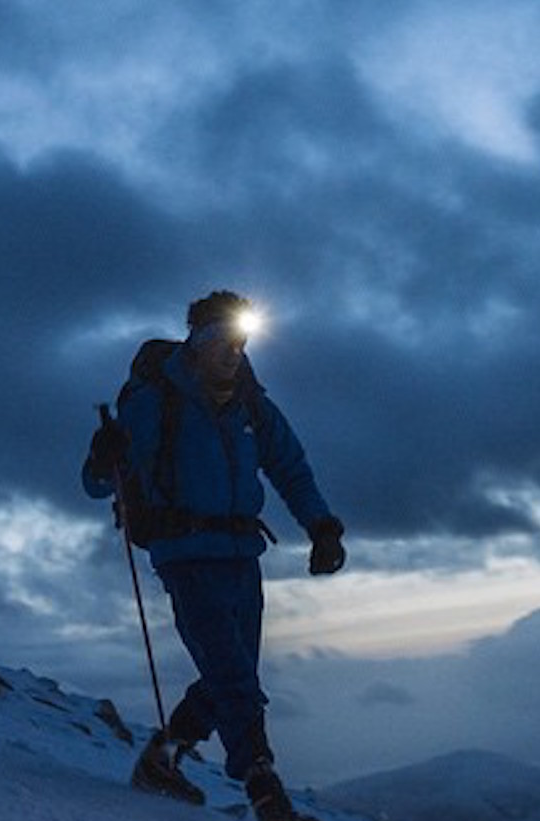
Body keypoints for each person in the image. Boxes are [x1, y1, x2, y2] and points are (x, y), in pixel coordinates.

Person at [82, 290, 346, 821]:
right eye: (220, 341)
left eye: (241, 341)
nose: (233, 351)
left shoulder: (251, 403)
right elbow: (97, 483)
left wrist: (321, 527)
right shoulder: (157, 400)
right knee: (233, 677)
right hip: (184, 553)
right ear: (196, 342)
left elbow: (290, 467)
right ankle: (264, 789)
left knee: (233, 672)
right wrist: (101, 456)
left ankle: (164, 758)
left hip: (241, 553)